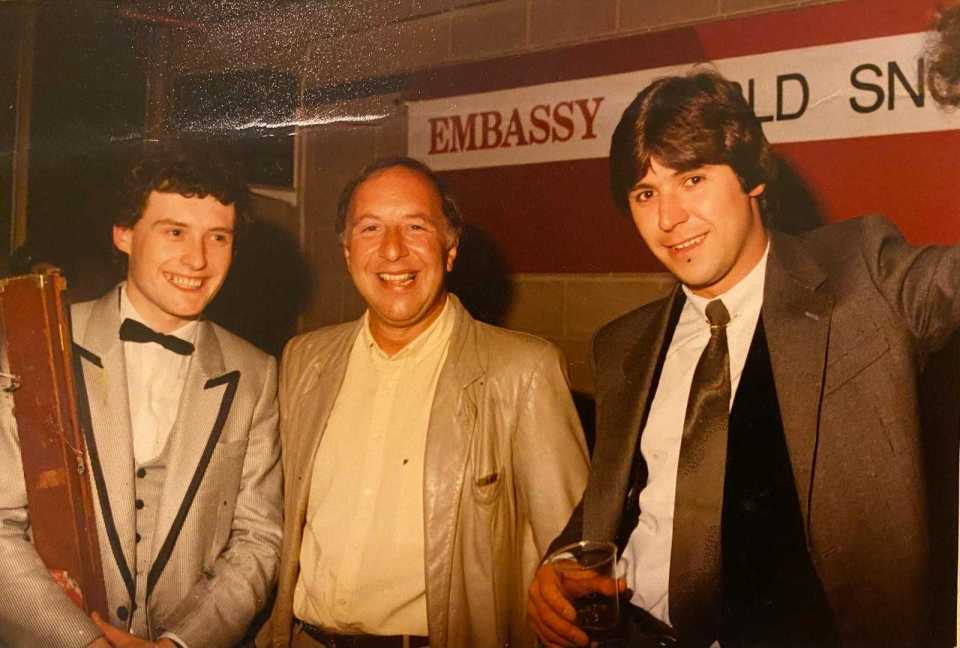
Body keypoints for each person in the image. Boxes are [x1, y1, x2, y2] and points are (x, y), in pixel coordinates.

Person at [527, 70, 960, 647]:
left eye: (693, 179)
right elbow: (618, 502)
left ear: (752, 177)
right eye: (645, 193)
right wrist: (560, 563)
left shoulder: (865, 278)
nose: (668, 219)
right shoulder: (621, 346)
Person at [256, 157, 589, 648]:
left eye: (415, 226)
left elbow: (571, 558)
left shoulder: (522, 371)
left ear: (450, 249)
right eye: (370, 229)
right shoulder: (303, 361)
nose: (392, 251)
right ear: (347, 251)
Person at [0, 145, 283, 648]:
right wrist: (83, 642)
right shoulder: (36, 344)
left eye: (217, 237)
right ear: (124, 234)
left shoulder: (257, 373)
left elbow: (259, 540)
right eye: (175, 232)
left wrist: (180, 643)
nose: (197, 260)